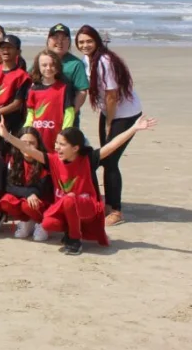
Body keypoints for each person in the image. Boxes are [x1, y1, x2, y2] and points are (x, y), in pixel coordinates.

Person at [0, 115, 156, 255]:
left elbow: (112, 145)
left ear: (76, 148)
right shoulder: (53, 160)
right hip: (64, 207)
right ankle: (70, 231)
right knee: (49, 223)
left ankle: (75, 239)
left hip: (87, 206)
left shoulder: (88, 159)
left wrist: (134, 128)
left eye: (62, 144)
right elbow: (26, 147)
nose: (57, 147)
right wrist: (7, 135)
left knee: (70, 198)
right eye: (56, 143)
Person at [75, 24, 144, 226]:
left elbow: (112, 95)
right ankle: (105, 203)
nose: (85, 45)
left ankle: (115, 210)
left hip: (124, 115)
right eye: (81, 42)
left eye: (89, 41)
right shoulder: (87, 59)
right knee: (105, 158)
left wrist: (109, 123)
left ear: (96, 41)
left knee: (110, 161)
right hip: (109, 113)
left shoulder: (105, 60)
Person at [0, 127, 53, 241]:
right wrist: (28, 193)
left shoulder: (44, 160)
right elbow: (8, 186)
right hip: (27, 196)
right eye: (23, 143)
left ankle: (42, 224)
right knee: (6, 201)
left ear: (38, 144)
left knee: (28, 205)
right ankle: (27, 222)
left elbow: (43, 189)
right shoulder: (14, 159)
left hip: (43, 201)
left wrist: (31, 194)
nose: (27, 146)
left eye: (32, 143)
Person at [24, 50, 75, 152]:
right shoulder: (33, 89)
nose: (48, 68)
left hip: (56, 136)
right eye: (44, 65)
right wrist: (27, 130)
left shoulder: (64, 87)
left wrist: (64, 134)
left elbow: (69, 112)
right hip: (36, 135)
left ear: (58, 66)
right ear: (38, 67)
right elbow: (30, 113)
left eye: (52, 65)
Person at [0, 34, 30, 136]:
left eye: (9, 47)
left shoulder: (22, 76)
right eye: (3, 47)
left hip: (9, 122)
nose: (5, 50)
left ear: (18, 52)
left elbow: (16, 105)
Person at [46, 24, 89, 125]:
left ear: (69, 42)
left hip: (66, 114)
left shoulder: (76, 64)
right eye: (55, 37)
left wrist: (70, 114)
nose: (59, 42)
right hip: (44, 114)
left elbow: (82, 91)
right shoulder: (42, 60)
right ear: (48, 40)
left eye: (64, 38)